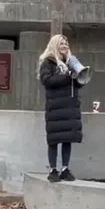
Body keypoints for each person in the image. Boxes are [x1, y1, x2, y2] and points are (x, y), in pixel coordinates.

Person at [39, 35, 83, 183]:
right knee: (54, 140)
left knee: (67, 139)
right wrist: (68, 77)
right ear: (55, 45)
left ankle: (65, 168)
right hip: (55, 107)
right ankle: (52, 169)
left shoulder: (71, 62)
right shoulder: (48, 62)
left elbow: (78, 82)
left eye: (66, 43)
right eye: (62, 43)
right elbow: (47, 81)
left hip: (69, 107)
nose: (65, 46)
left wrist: (77, 76)